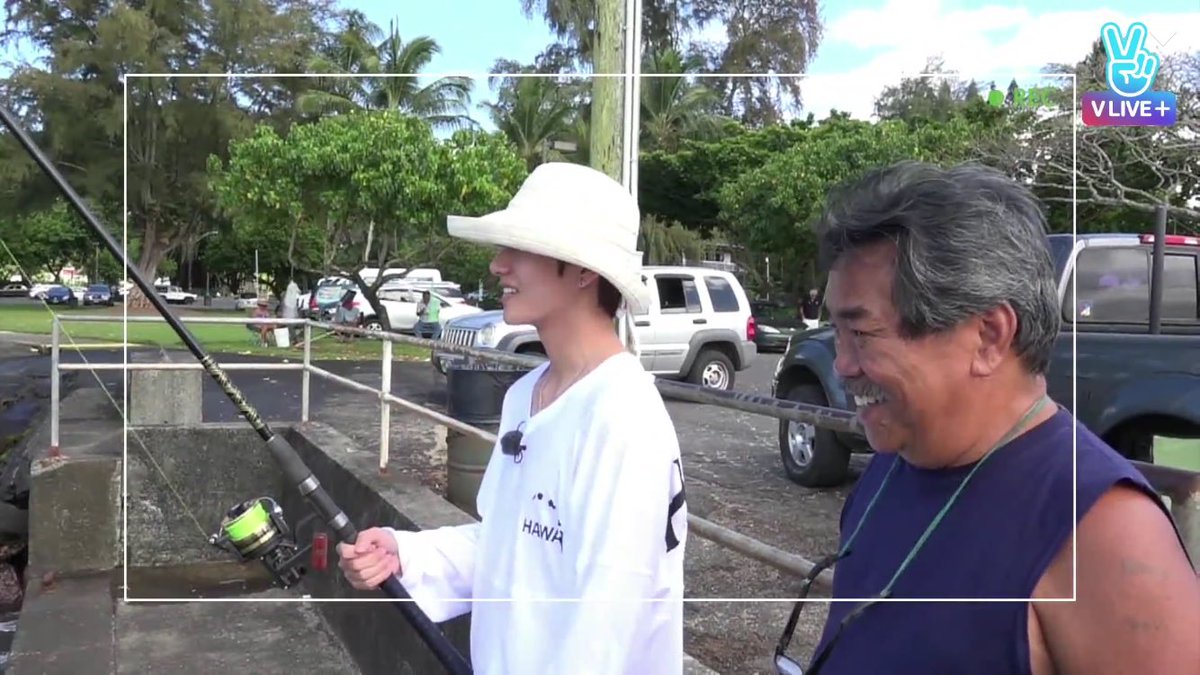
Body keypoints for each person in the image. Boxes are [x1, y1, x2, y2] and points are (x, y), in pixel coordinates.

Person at [774, 161, 1198, 675]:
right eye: (838, 336)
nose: (841, 364)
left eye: (862, 334)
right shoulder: (894, 465)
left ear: (989, 337)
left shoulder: (1102, 534)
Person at [337, 162, 688, 674]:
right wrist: (405, 555)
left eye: (520, 249)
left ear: (586, 270)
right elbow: (509, 545)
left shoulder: (623, 418)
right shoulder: (526, 394)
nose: (498, 265)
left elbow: (608, 628)